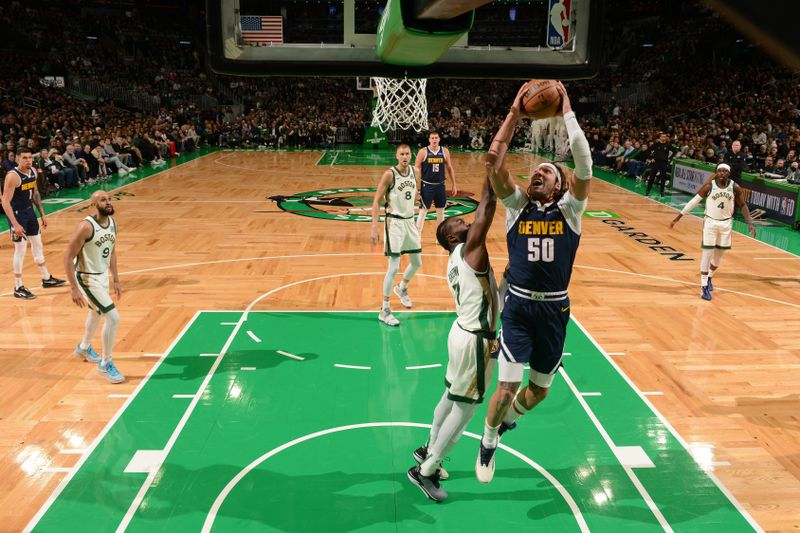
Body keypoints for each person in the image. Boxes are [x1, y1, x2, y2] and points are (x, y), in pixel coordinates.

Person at [475, 82, 593, 483]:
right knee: (506, 387)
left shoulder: (571, 211)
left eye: (547, 172)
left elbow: (585, 165)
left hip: (556, 309)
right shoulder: (515, 207)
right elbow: (493, 164)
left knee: (539, 391)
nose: (538, 173)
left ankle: (507, 420)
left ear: (559, 187)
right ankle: (489, 439)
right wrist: (513, 112)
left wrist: (567, 110)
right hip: (521, 308)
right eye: (536, 171)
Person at [407, 172, 499, 502]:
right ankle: (427, 469)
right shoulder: (469, 248)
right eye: (459, 221)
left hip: (463, 333)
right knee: (465, 410)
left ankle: (428, 447)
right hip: (474, 339)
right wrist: (493, 166)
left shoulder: (455, 260)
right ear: (451, 237)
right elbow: (487, 206)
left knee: (449, 397)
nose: (464, 220)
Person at [669, 163, 756, 300]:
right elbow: (694, 201)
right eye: (719, 170)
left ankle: (709, 277)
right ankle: (703, 287)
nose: (722, 173)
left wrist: (750, 223)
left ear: (729, 173)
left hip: (726, 224)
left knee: (719, 255)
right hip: (710, 222)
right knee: (707, 252)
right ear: (716, 172)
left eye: (724, 171)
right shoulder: (709, 186)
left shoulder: (734, 187)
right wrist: (679, 216)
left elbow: (743, 205)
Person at [64, 190, 125, 383]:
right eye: (103, 200)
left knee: (95, 313)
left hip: (102, 276)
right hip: (87, 277)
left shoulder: (113, 223)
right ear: (93, 205)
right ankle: (106, 363)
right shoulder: (86, 227)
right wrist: (73, 287)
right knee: (113, 318)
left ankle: (84, 348)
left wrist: (115, 278)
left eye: (109, 199)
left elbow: (112, 251)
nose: (108, 202)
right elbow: (67, 257)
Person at [1, 147, 66, 299]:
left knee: (38, 245)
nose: (28, 160)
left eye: (30, 157)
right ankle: (18, 286)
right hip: (18, 215)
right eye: (24, 158)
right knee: (20, 250)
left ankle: (46, 278)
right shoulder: (12, 176)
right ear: (17, 159)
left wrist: (42, 213)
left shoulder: (33, 172)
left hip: (30, 212)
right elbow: (5, 202)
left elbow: (35, 193)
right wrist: (15, 224)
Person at [370, 144, 423, 326]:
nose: (405, 156)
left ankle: (402, 288)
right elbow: (376, 202)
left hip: (410, 221)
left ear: (411, 155)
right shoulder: (389, 174)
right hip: (394, 223)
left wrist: (417, 199)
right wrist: (374, 228)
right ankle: (384, 309)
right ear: (396, 156)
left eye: (407, 153)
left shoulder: (416, 172)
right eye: (401, 154)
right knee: (393, 268)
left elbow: (414, 193)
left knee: (417, 262)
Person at [414, 131, 457, 234]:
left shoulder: (445, 151)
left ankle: (440, 236)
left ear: (439, 139)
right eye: (432, 138)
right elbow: (415, 170)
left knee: (441, 212)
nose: (434, 140)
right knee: (423, 211)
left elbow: (450, 168)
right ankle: (416, 235)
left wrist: (454, 184)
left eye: (436, 138)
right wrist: (415, 187)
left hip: (440, 185)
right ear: (429, 140)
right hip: (426, 185)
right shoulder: (423, 152)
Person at [645, 132, 679, 198]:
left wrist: (670, 158)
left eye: (665, 136)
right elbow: (648, 150)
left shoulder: (668, 145)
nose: (663, 137)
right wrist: (651, 158)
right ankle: (647, 191)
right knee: (651, 177)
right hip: (655, 163)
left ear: (666, 137)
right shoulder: (656, 144)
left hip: (664, 163)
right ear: (660, 137)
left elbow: (675, 151)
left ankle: (662, 193)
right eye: (662, 136)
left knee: (663, 178)